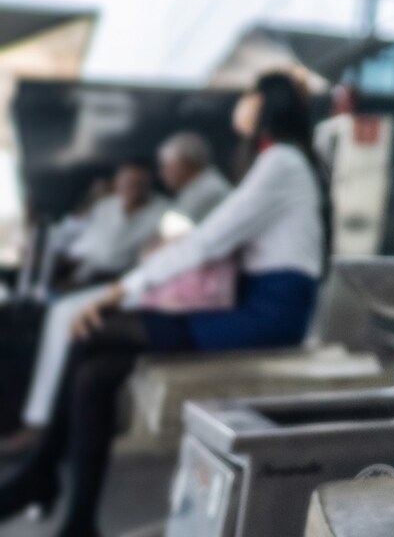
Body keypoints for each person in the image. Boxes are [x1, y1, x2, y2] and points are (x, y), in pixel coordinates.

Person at [0, 72, 330, 537]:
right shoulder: (280, 162)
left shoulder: (281, 163)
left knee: (94, 329)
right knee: (96, 373)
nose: (242, 102)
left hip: (266, 315)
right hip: (255, 306)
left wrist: (119, 291)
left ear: (267, 104)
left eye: (250, 94)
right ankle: (77, 519)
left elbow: (207, 241)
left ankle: (39, 474)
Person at [10, 133, 236, 442]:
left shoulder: (194, 198)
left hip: (168, 294)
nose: (164, 174)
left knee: (79, 323)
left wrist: (124, 283)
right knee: (79, 339)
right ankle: (47, 428)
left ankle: (46, 428)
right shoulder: (115, 207)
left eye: (166, 167)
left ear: (186, 163)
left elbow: (170, 255)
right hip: (143, 285)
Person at [51, 161, 165, 289]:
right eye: (126, 181)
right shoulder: (105, 206)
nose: (131, 187)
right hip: (85, 271)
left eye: (138, 183)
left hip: (126, 278)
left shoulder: (163, 211)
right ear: (117, 182)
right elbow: (82, 237)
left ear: (149, 184)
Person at [157, 130, 232, 228]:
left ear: (186, 164)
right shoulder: (197, 187)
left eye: (167, 167)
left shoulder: (207, 189)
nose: (162, 174)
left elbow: (175, 230)